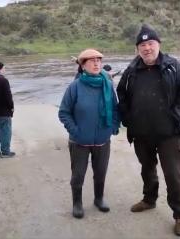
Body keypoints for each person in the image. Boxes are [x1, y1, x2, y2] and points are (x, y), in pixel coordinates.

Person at [116, 25, 180, 236]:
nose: (147, 48)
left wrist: (175, 117)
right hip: (141, 133)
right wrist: (127, 118)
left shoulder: (173, 67)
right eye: (142, 45)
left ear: (158, 44)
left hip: (168, 134)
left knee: (174, 174)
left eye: (150, 43)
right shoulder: (131, 71)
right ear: (137, 49)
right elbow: (121, 95)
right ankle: (149, 200)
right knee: (147, 169)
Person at [58, 49, 120, 219]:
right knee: (78, 175)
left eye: (98, 60)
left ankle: (99, 199)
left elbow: (115, 108)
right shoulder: (75, 87)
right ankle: (77, 203)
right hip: (79, 141)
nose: (96, 64)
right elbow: (64, 112)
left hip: (102, 139)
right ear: (83, 66)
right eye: (91, 61)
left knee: (100, 172)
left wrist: (113, 126)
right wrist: (75, 131)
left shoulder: (107, 84)